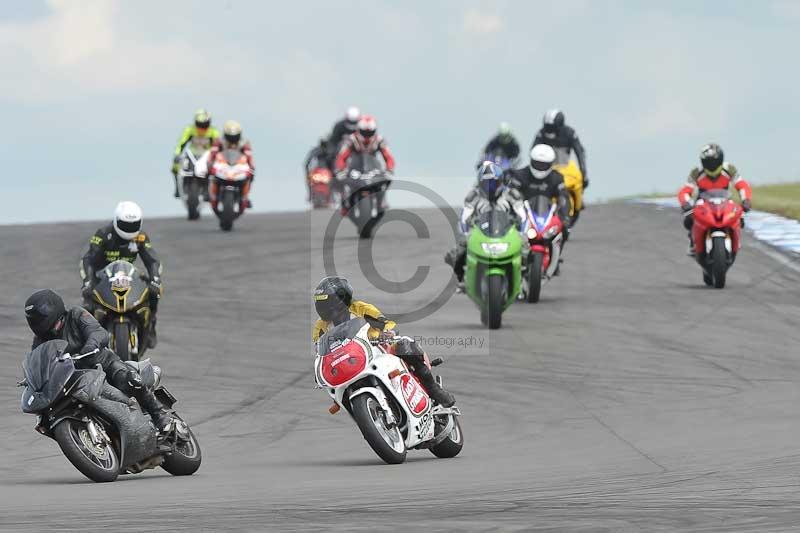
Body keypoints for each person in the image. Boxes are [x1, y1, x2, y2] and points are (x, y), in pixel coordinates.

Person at [24, 289, 173, 431]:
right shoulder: (40, 340)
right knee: (48, 414)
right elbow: (39, 364)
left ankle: (159, 415)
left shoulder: (76, 315)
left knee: (129, 379)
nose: (52, 329)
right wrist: (33, 380)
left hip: (103, 363)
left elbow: (97, 331)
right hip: (74, 379)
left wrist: (91, 345)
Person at [312, 276, 455, 407]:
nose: (325, 308)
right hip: (348, 360)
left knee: (405, 346)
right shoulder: (321, 326)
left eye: (328, 302)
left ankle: (433, 389)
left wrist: (386, 333)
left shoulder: (360, 308)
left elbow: (384, 323)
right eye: (321, 304)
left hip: (376, 347)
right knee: (336, 389)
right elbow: (319, 349)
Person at [80, 201, 163, 348]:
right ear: (116, 220)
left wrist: (155, 279)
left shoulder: (141, 237)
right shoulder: (103, 234)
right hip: (102, 277)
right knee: (88, 303)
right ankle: (85, 340)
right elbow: (88, 259)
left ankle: (151, 325)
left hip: (128, 275)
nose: (129, 229)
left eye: (133, 225)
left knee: (154, 293)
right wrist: (88, 281)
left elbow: (152, 260)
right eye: (125, 224)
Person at [445, 161, 525, 287]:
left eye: (493, 183)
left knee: (526, 248)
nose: (490, 187)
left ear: (500, 181)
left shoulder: (511, 194)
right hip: (481, 231)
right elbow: (464, 217)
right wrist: (465, 233)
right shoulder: (473, 196)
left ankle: (526, 276)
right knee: (457, 252)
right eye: (486, 183)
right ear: (480, 183)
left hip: (508, 231)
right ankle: (461, 278)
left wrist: (522, 231)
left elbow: (522, 215)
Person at [678, 143, 752, 255]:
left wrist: (746, 200)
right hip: (703, 201)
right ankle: (693, 242)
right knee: (688, 219)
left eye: (714, 162)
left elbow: (742, 185)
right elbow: (685, 190)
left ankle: (735, 239)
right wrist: (685, 203)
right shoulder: (696, 172)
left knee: (740, 217)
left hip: (725, 200)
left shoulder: (729, 169)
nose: (711, 165)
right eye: (708, 162)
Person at [334, 115, 396, 213]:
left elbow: (388, 157)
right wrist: (341, 170)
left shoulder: (380, 140)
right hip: (355, 168)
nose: (367, 135)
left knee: (385, 181)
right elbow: (341, 157)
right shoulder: (351, 140)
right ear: (359, 130)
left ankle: (381, 201)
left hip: (374, 169)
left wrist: (389, 169)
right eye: (364, 132)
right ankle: (345, 203)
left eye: (370, 132)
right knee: (342, 181)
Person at [530, 109, 588, 190]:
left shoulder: (570, 133)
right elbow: (533, 152)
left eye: (552, 127)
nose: (549, 130)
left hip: (567, 168)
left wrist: (583, 173)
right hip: (547, 170)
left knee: (577, 186)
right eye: (547, 127)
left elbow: (580, 153)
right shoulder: (541, 133)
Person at [171, 109, 220, 198]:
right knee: (175, 165)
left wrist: (217, 158)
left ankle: (211, 190)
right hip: (192, 154)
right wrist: (177, 154)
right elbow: (181, 143)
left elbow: (218, 147)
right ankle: (178, 188)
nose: (202, 128)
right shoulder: (189, 129)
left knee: (217, 169)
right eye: (199, 125)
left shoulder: (214, 132)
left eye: (205, 125)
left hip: (207, 156)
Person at [208, 120, 255, 209]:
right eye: (230, 137)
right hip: (223, 165)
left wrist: (251, 166)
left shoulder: (244, 142)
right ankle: (211, 196)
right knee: (210, 173)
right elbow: (212, 153)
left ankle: (245, 198)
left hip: (238, 167)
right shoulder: (219, 141)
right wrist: (210, 163)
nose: (232, 139)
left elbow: (249, 156)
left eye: (235, 136)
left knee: (251, 174)